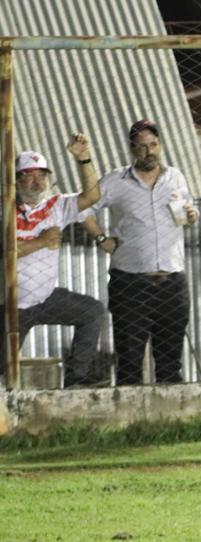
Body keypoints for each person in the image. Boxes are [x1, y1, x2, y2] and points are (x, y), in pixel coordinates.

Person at [81, 119, 199, 384]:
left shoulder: (175, 177)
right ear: (132, 149)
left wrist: (192, 215)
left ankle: (169, 420)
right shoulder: (116, 180)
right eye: (142, 146)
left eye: (154, 144)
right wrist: (101, 238)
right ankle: (131, 423)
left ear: (161, 145)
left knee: (171, 363)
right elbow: (83, 208)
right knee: (130, 361)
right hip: (131, 282)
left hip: (172, 281)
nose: (150, 151)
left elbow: (187, 212)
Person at [0, 138, 112, 386]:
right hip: (11, 307)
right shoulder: (4, 210)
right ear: (16, 179)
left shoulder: (56, 206)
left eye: (42, 175)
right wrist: (41, 241)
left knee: (92, 312)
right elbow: (8, 250)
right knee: (2, 364)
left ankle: (76, 380)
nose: (37, 181)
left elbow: (92, 196)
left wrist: (83, 159)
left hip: (46, 298)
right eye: (29, 175)